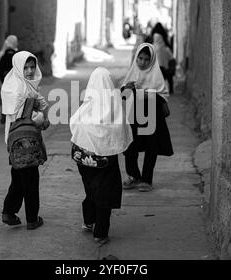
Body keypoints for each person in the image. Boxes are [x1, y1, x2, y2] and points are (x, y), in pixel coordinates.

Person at [70, 67, 133, 244]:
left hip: (84, 161)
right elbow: (121, 132)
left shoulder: (85, 107)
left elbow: (74, 126)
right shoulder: (114, 107)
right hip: (106, 162)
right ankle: (100, 233)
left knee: (90, 190)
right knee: (105, 194)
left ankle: (88, 221)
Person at [0, 51, 50, 229]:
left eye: (32, 67)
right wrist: (38, 113)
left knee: (19, 177)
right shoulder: (21, 88)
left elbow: (40, 103)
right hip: (25, 141)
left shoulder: (16, 84)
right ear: (18, 67)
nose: (29, 71)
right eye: (25, 67)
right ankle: (32, 219)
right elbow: (31, 114)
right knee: (30, 180)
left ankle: (9, 212)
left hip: (13, 140)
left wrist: (36, 104)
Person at [121, 43, 174, 192]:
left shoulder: (156, 76)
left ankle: (146, 179)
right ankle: (133, 176)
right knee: (130, 147)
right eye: (140, 58)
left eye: (146, 59)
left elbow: (163, 97)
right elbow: (123, 96)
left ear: (151, 60)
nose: (142, 62)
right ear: (136, 58)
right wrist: (127, 89)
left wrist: (148, 95)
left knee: (151, 148)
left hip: (152, 116)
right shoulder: (132, 73)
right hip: (133, 116)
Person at [0, 35, 19, 124]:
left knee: (6, 98)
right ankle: (14, 118)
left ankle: (4, 116)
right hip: (15, 81)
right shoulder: (17, 53)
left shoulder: (2, 53)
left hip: (5, 81)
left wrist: (3, 79)